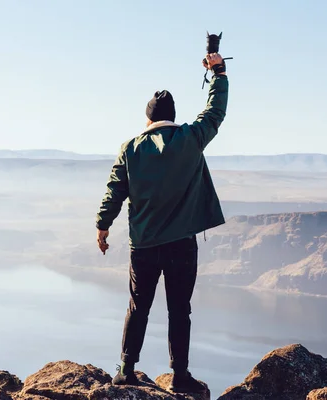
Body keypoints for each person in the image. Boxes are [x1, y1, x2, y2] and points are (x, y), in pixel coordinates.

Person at [95, 53, 228, 393]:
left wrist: (103, 225)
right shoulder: (191, 138)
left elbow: (115, 190)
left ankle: (125, 369)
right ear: (172, 117)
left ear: (147, 118)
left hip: (144, 246)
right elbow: (215, 111)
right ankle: (180, 375)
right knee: (179, 310)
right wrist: (218, 72)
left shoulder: (130, 149)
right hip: (182, 244)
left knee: (138, 306)